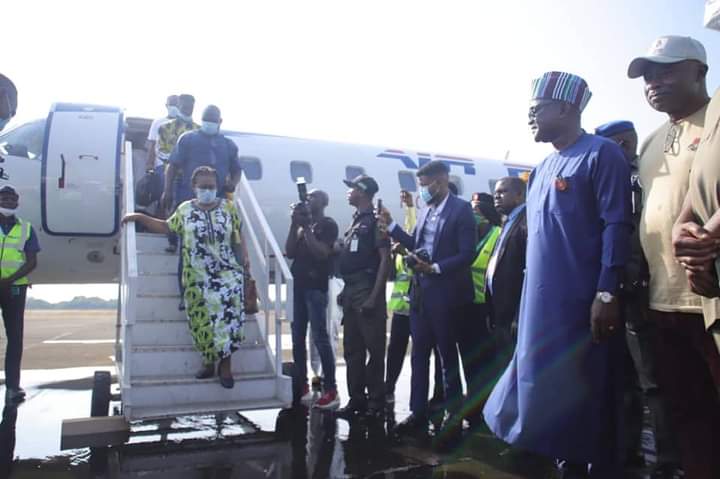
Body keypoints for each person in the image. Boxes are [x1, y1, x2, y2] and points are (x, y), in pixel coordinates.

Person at [483, 71, 632, 478]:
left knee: (587, 390)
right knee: (541, 389)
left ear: (564, 109)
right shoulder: (543, 168)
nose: (530, 118)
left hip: (581, 302)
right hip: (540, 304)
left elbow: (617, 225)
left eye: (536, 110)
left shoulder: (601, 155)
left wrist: (606, 293)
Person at [629, 35, 720, 479]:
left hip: (710, 301)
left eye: (665, 70)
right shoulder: (651, 142)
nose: (653, 81)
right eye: (647, 74)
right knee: (688, 418)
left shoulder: (717, 121)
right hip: (664, 304)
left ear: (700, 71)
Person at [596, 121, 680, 476]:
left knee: (651, 384)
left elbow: (633, 238)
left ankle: (666, 463)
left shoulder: (635, 178)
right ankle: (626, 454)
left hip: (635, 294)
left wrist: (622, 284)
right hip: (617, 293)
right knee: (623, 383)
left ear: (622, 143)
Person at [380, 160, 477, 449]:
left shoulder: (461, 211)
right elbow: (415, 242)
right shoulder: (425, 210)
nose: (422, 190)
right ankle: (417, 412)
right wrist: (393, 226)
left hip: (446, 293)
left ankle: (453, 413)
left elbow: (467, 254)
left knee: (447, 358)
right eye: (420, 185)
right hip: (421, 293)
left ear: (442, 180)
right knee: (419, 354)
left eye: (425, 185)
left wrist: (434, 268)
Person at [123, 166, 248, 389]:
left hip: (227, 276)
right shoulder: (185, 210)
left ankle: (226, 366)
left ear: (217, 187)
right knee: (200, 322)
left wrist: (244, 262)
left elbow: (238, 237)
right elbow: (167, 227)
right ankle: (208, 362)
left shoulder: (229, 208)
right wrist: (140, 216)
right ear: (194, 187)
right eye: (203, 186)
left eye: (211, 186)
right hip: (197, 279)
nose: (208, 190)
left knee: (227, 323)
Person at [336, 175, 390, 420]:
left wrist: (374, 297)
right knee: (352, 350)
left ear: (363, 192)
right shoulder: (356, 222)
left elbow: (384, 260)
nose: (349, 192)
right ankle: (356, 399)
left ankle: (376, 402)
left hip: (367, 291)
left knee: (374, 350)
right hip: (351, 291)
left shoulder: (375, 222)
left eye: (352, 189)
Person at [285, 188, 340, 410]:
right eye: (307, 197)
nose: (308, 199)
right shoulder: (301, 228)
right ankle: (303, 386)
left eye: (313, 197)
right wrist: (293, 224)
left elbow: (322, 253)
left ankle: (331, 389)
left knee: (320, 338)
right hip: (298, 288)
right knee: (297, 339)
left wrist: (307, 227)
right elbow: (289, 252)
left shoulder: (328, 225)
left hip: (315, 289)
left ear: (324, 202)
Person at [455, 192, 501, 425]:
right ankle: (473, 402)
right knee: (470, 360)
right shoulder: (468, 239)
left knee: (486, 360)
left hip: (487, 309)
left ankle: (486, 405)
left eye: (476, 211)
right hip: (466, 306)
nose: (471, 215)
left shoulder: (498, 236)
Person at [0, 185, 40, 403]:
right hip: (9, 286)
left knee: (15, 338)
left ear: (17, 203)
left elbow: (32, 261)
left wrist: (9, 280)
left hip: (15, 289)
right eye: (4, 198)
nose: (7, 202)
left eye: (11, 199)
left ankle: (13, 387)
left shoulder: (26, 228)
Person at [486, 176, 527, 363]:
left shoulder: (525, 223)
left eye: (502, 192)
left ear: (519, 195)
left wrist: (519, 314)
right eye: (495, 193)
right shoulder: (507, 222)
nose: (497, 197)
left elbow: (529, 271)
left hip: (515, 315)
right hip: (499, 313)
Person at [145, 94, 179, 173]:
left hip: (179, 167)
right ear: (166, 106)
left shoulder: (185, 125)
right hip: (161, 165)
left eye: (176, 105)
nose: (174, 107)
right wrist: (149, 164)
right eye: (172, 104)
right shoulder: (158, 122)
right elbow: (152, 145)